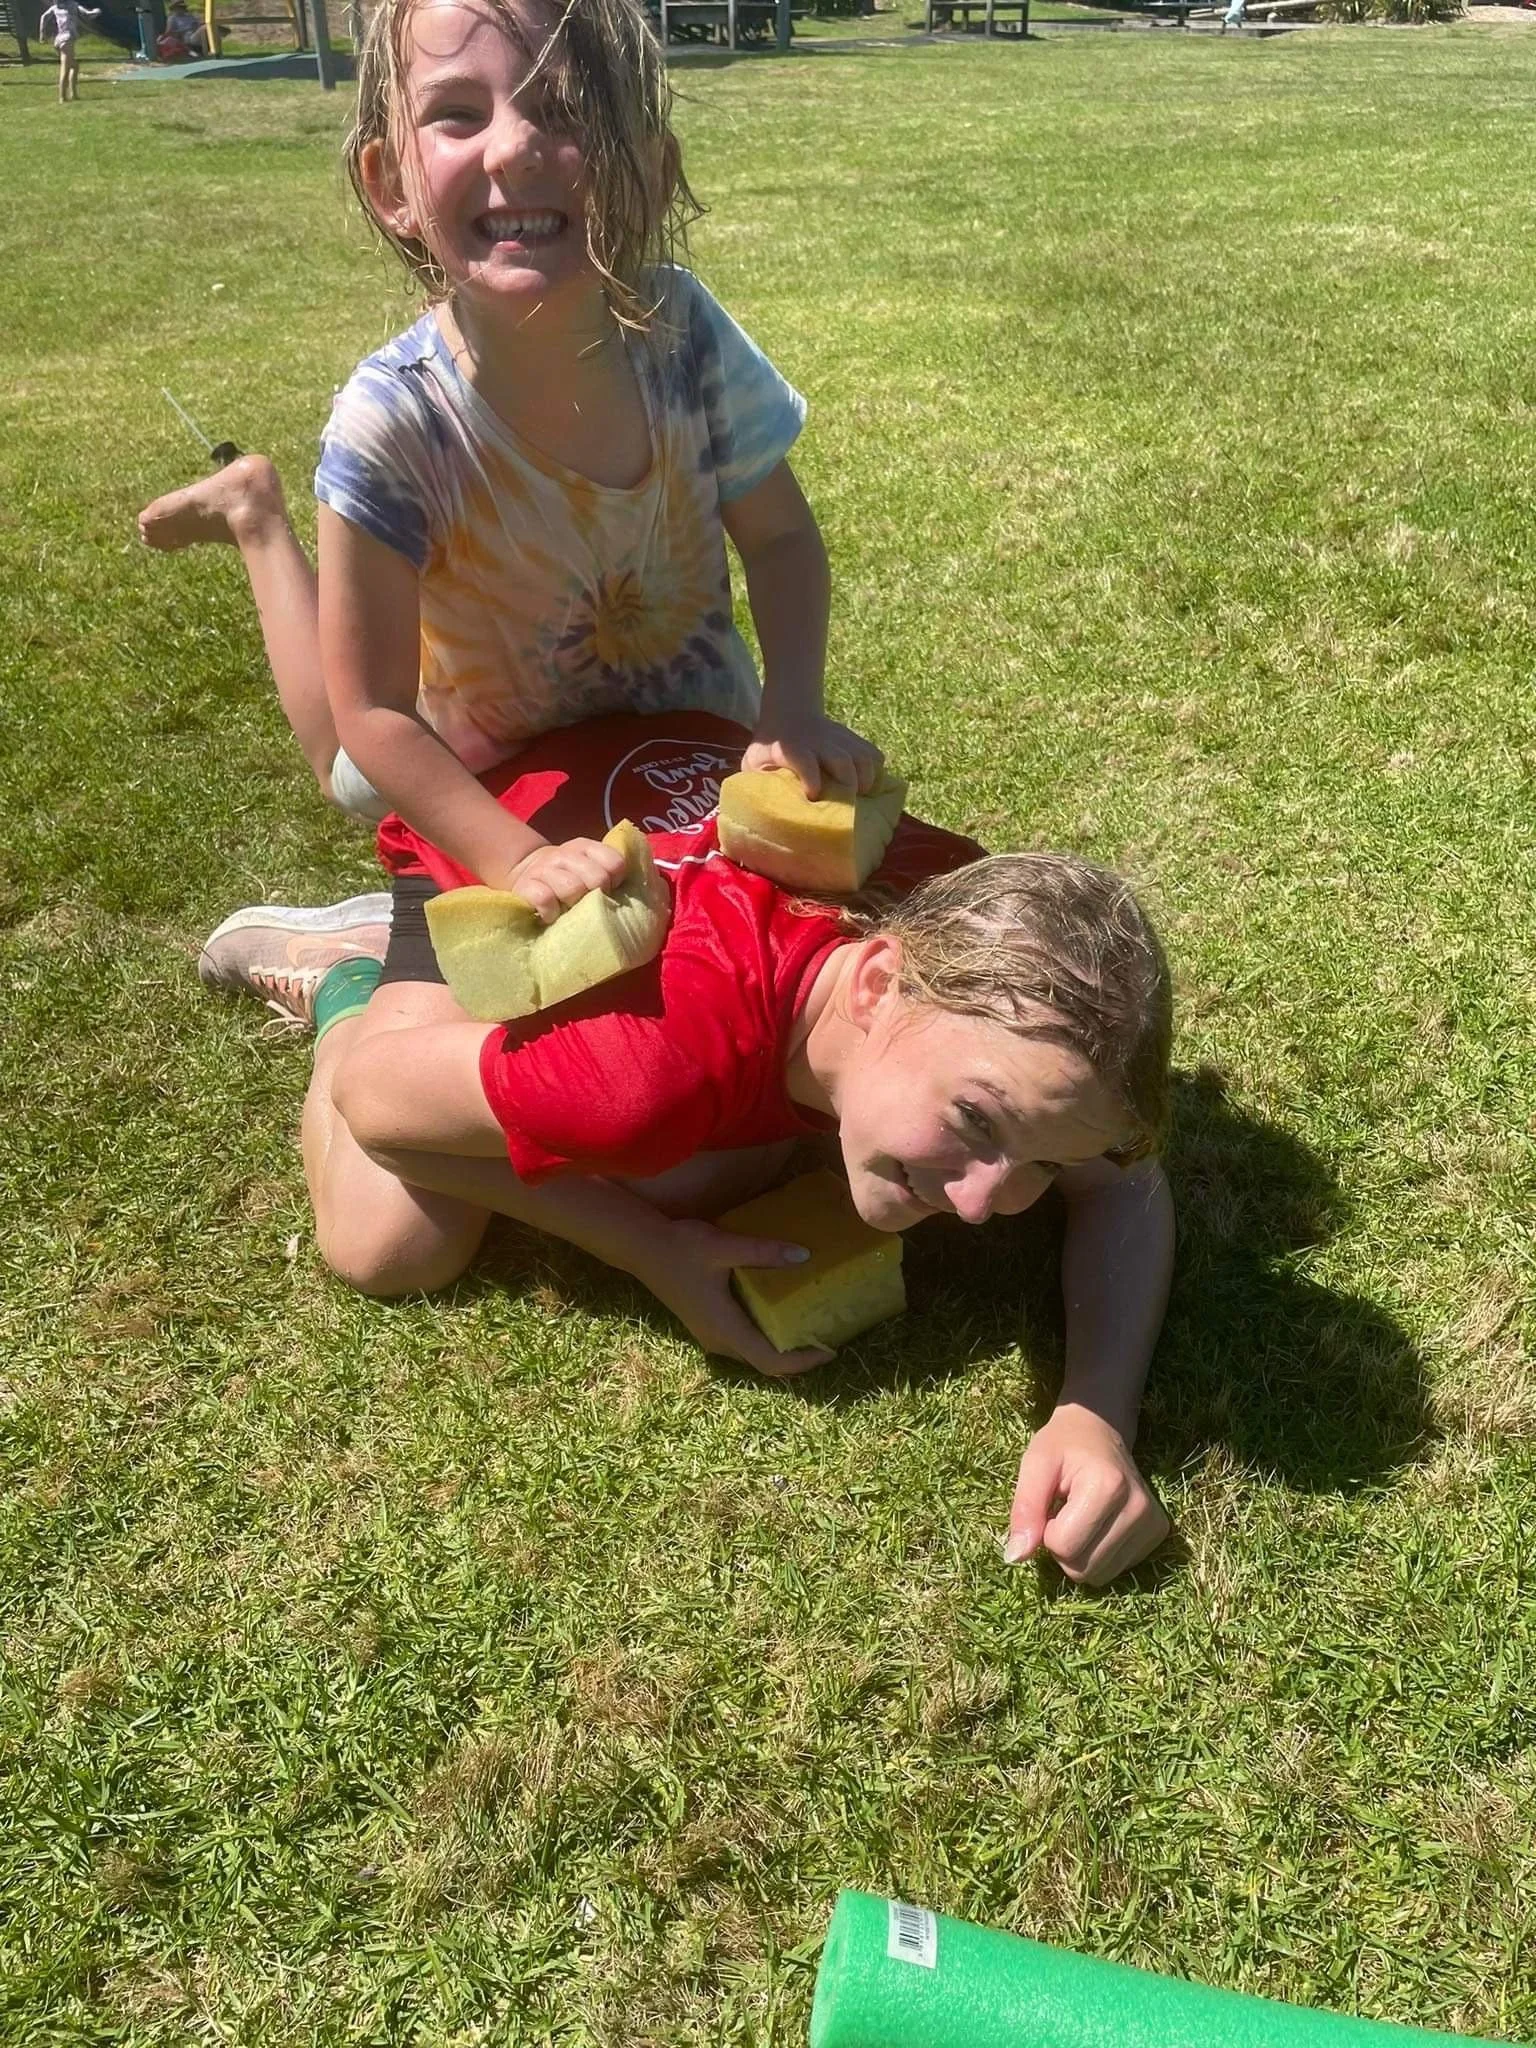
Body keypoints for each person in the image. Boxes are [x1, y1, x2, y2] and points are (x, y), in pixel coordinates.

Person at [201, 710, 1177, 1588]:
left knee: (712, 1164)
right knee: (389, 1241)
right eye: (975, 1123)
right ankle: (344, 968)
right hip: (518, 817)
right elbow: (375, 1106)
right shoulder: (644, 1074)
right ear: (877, 983)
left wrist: (1094, 1409)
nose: (977, 1205)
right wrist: (646, 1247)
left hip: (668, 763)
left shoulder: (994, 971)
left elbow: (1125, 1185)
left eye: (1039, 1163)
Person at [137, 0, 882, 915]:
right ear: (390, 184)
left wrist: (793, 709)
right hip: (482, 762)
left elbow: (781, 543)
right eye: (458, 112)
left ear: (650, 172)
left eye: (566, 111)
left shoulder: (684, 337)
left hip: (688, 732)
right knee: (343, 764)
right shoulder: (393, 421)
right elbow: (376, 716)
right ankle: (254, 514)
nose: (515, 148)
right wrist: (517, 855)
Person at [39, 0, 99, 99]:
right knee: (65, 69)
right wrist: (96, 11)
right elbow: (88, 14)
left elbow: (43, 17)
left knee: (74, 67)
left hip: (58, 41)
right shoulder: (73, 5)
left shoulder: (55, 7)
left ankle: (74, 94)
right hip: (67, 39)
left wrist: (42, 34)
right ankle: (62, 97)